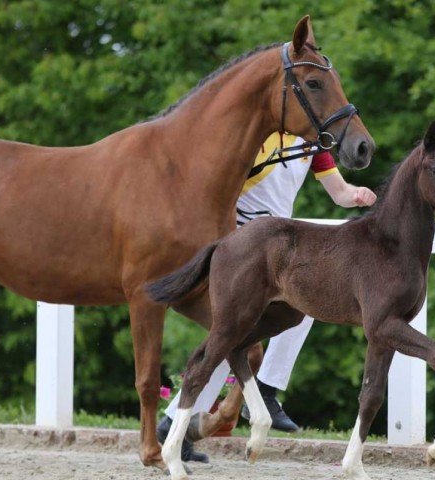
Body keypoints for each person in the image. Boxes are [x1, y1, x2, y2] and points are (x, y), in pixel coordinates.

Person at [157, 132, 377, 463]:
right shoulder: (260, 133)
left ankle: (243, 398)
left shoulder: (316, 142)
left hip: (277, 241)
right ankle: (203, 413)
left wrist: (356, 195)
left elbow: (339, 192)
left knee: (293, 313)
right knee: (233, 336)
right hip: (243, 236)